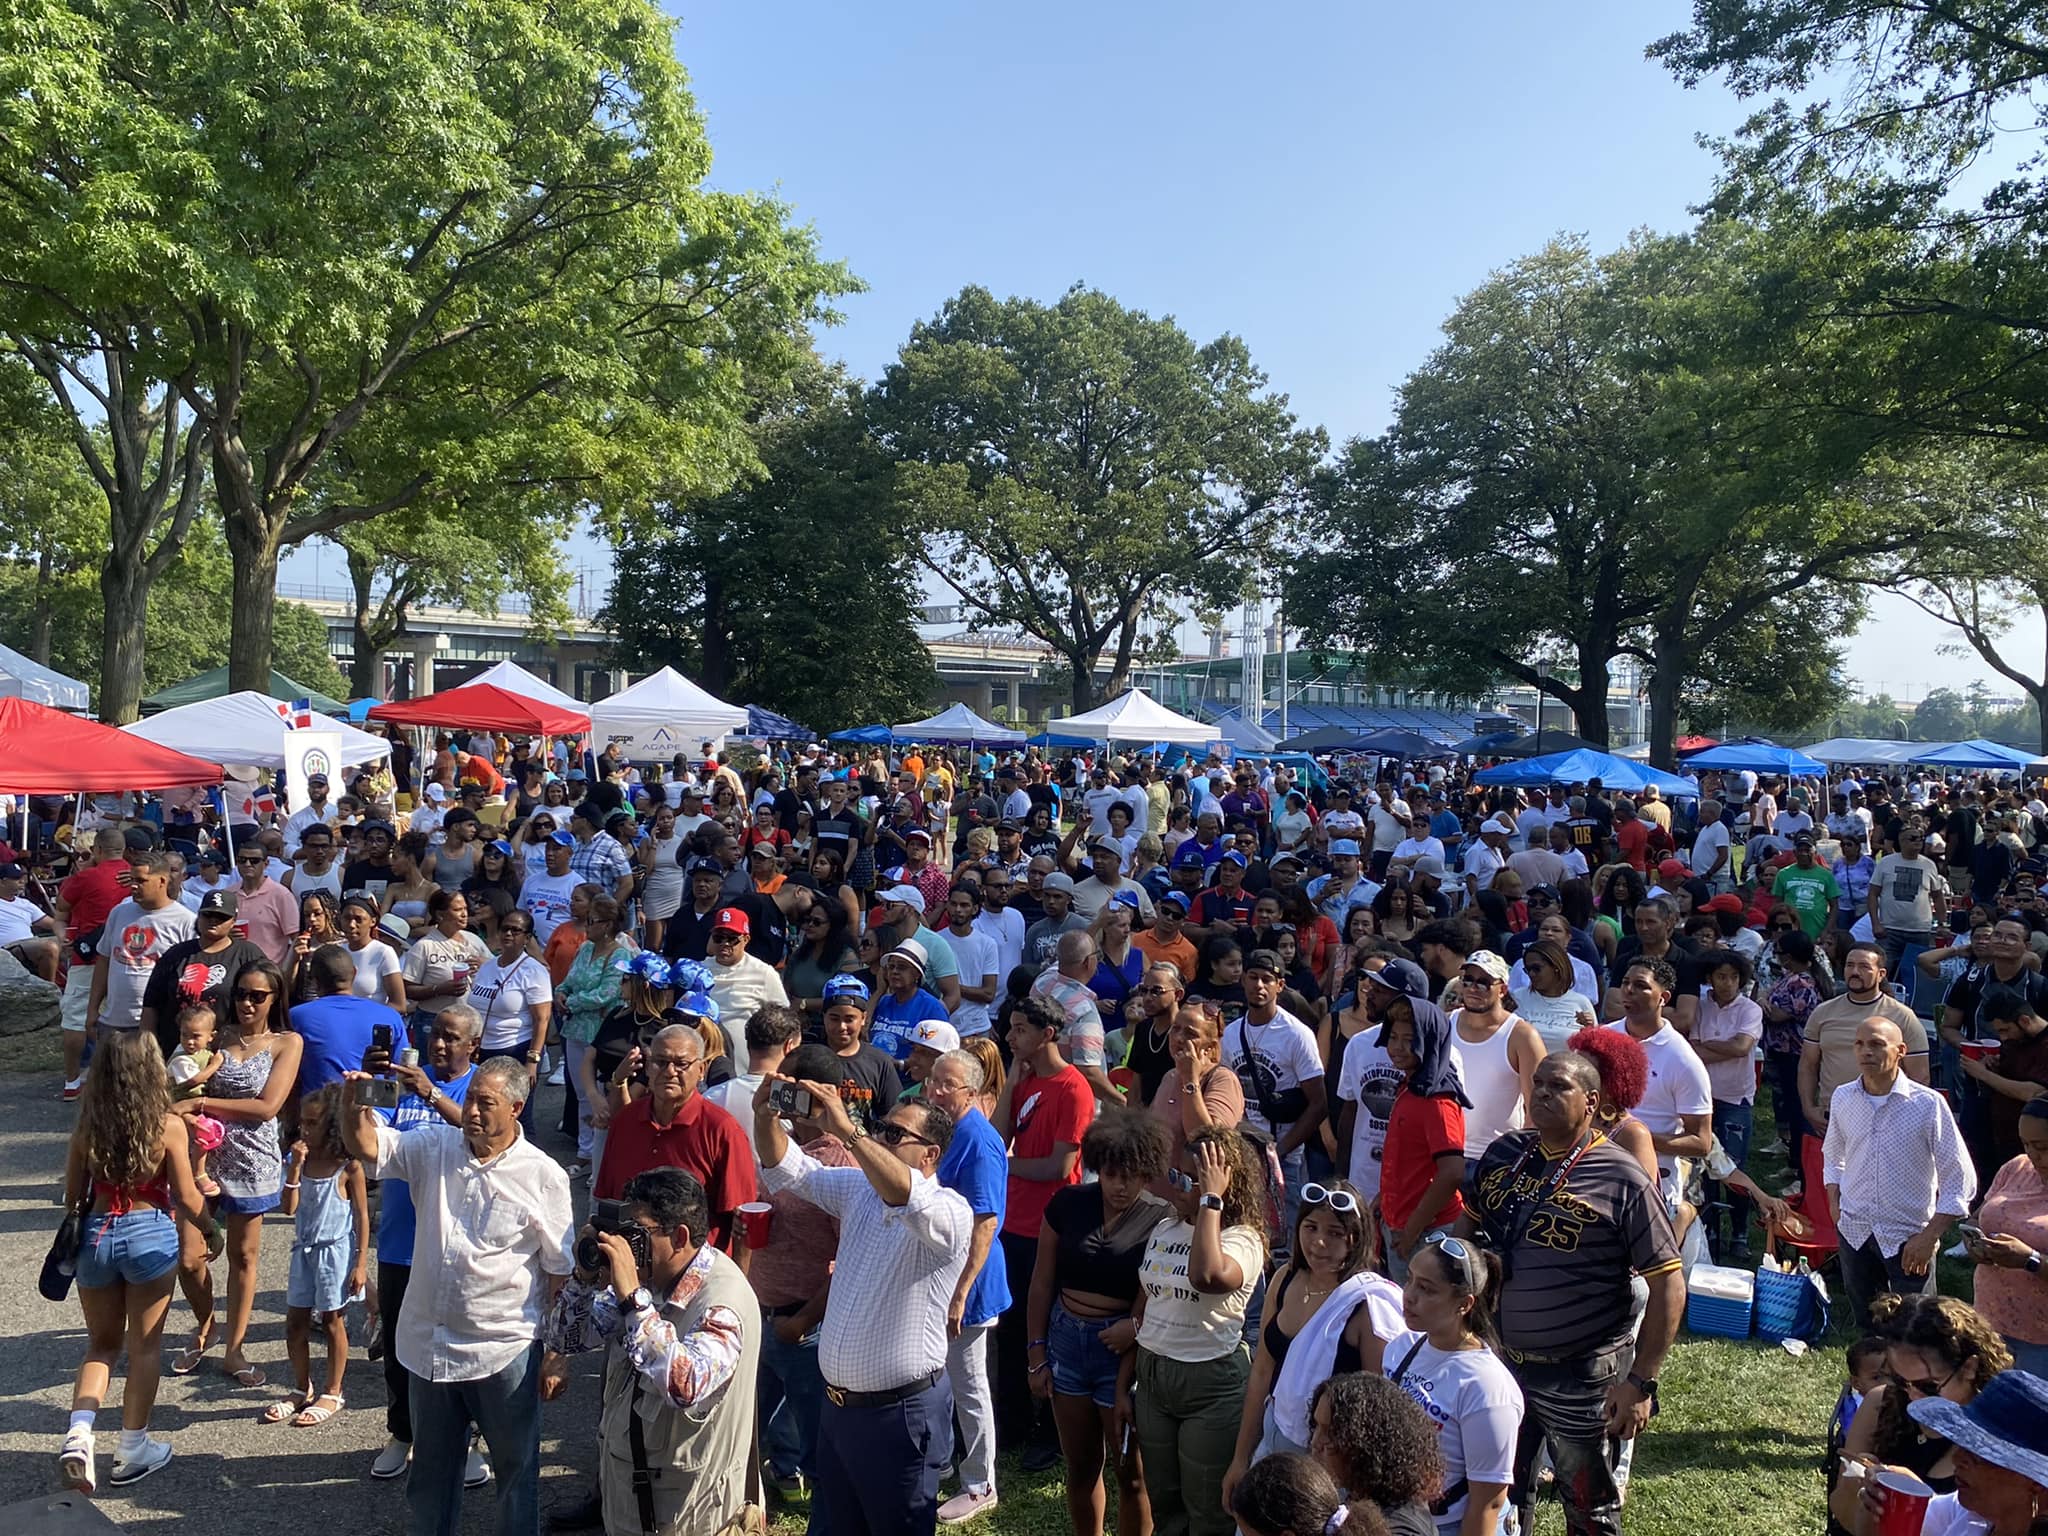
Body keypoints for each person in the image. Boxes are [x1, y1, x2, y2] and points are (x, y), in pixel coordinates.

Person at [341, 1056, 575, 1536]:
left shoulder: (543, 1175)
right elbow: (367, 1145)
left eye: (485, 1103)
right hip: (428, 1346)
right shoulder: (433, 1146)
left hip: (503, 1349)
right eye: (470, 1099)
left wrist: (557, 1353)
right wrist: (354, 1102)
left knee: (516, 1474)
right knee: (430, 1476)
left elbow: (559, 1273)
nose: (471, 1111)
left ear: (516, 1107)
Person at [1461, 1050, 1684, 1536]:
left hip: (1581, 1375)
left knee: (1588, 1505)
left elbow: (1668, 1282)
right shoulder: (1504, 1154)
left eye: (1558, 1086)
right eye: (1538, 1083)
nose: (1541, 1092)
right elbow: (1464, 1238)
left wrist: (1642, 1382)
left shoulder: (1621, 1176)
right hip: (1496, 1362)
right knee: (1493, 1491)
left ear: (1591, 1102)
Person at [751, 1072, 973, 1536]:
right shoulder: (858, 1191)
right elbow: (784, 1166)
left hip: (899, 1416)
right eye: (882, 1128)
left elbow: (903, 1193)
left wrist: (851, 1131)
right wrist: (765, 1114)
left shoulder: (950, 1211)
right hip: (840, 1411)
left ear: (930, 1155)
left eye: (895, 1134)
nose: (883, 1138)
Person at [539, 1166, 762, 1536]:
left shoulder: (722, 1302)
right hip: (632, 1503)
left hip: (690, 1516)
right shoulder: (650, 1281)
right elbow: (566, 1338)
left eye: (637, 1234)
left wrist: (632, 1300)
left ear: (680, 1237)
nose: (625, 1246)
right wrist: (583, 1276)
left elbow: (685, 1384)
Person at [57, 1029, 223, 1493]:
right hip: (149, 1233)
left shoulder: (88, 1123)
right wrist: (211, 1230)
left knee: (101, 1346)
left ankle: (79, 1435)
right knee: (145, 1347)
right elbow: (188, 1195)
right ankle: (132, 1448)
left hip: (96, 1236)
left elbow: (72, 1195)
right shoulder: (167, 1124)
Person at [1026, 1108, 1173, 1536]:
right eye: (1110, 1174)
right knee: (1081, 1467)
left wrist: (1136, 1329)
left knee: (1132, 1475)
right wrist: (1036, 1352)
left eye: (1130, 1175)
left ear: (1147, 1172)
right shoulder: (1068, 1203)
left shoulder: (1161, 1218)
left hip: (1121, 1355)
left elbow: (1161, 1295)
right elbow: (1041, 1281)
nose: (1119, 1185)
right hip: (1065, 1343)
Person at [1121, 1126, 1267, 1536]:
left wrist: (1210, 1202)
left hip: (1210, 1383)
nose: (1177, 1186)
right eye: (1176, 1175)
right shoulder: (1165, 1228)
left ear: (1220, 1184)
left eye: (1190, 1178)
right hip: (1154, 1376)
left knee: (1208, 1513)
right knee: (1165, 1506)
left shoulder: (1243, 1239)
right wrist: (1124, 1382)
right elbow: (1148, 1301)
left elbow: (1206, 1275)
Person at [171, 959, 304, 1388]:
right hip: (201, 1157)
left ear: (274, 999)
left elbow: (268, 1105)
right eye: (241, 994)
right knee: (190, 1259)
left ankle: (234, 1348)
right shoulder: (215, 1034)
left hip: (252, 1158)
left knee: (243, 1258)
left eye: (257, 996)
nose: (247, 1002)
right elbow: (181, 1080)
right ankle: (205, 1324)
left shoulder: (287, 1042)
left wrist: (202, 1105)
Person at [364, 1005, 482, 1482]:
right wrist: (369, 1085)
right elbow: (369, 1137)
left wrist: (430, 1093)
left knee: (461, 1348)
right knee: (398, 1347)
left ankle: (468, 1440)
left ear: (472, 1044)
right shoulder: (402, 1079)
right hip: (399, 1241)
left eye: (451, 1038)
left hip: (457, 1245)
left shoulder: (480, 1085)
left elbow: (481, 1134)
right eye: (435, 1034)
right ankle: (402, 1433)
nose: (439, 1044)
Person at [1226, 1179, 1401, 1499]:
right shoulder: (1284, 1278)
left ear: (1356, 1239)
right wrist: (1240, 1459)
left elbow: (1378, 1407)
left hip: (1330, 1464)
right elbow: (1262, 1371)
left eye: (1335, 1233)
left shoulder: (1366, 1305)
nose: (1319, 1243)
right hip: (1274, 1436)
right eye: (1311, 1227)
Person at [1824, 1015, 1977, 1329]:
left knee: (1917, 1329)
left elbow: (1960, 1177)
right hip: (1854, 1231)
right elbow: (1833, 1154)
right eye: (1860, 1044)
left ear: (1901, 1050)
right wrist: (1833, 1203)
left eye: (1877, 1044)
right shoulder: (1843, 1097)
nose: (1867, 1052)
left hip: (1908, 1237)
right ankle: (1870, 1379)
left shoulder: (1927, 1105)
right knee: (1867, 1326)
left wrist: (1930, 1236)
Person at [995, 992, 1094, 1470]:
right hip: (1013, 1223)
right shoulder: (1027, 1078)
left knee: (1048, 1329)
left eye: (1021, 1030)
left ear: (1047, 1034)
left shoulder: (1073, 1088)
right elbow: (997, 1137)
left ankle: (1050, 1432)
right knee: (1012, 1328)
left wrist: (1008, 1167)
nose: (1012, 1037)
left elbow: (1061, 1165)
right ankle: (1012, 1423)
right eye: (1011, 1028)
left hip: (1049, 1227)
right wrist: (1015, 1075)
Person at [1829, 1293, 2013, 1532]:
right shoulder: (1882, 1402)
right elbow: (1841, 1509)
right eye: (1900, 1380)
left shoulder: (2000, 1434)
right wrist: (1861, 1492)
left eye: (1928, 1386)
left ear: (1969, 1368)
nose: (1913, 1396)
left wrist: (1923, 1505)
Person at [1379, 1235, 1523, 1536]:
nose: (1409, 1296)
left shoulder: (1487, 1387)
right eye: (1410, 1280)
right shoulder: (1400, 1348)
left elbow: (1488, 1503)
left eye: (1426, 1289)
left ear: (1464, 1304)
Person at [924, 1046, 1011, 1523]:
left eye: (946, 1085)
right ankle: (940, 1461)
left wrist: (960, 1291)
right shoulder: (947, 1128)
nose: (934, 1090)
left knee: (968, 1381)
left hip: (970, 1281)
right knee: (940, 1377)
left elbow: (986, 1219)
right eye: (933, 1080)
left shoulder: (979, 1140)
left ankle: (980, 1483)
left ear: (972, 1093)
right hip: (945, 1273)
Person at [592, 1023, 755, 1252]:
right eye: (660, 1062)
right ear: (648, 1068)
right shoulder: (625, 1121)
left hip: (696, 1274)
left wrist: (737, 1283)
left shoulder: (722, 1130)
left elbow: (743, 1220)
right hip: (629, 1266)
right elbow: (607, 1201)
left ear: (701, 1070)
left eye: (681, 1064)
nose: (669, 1071)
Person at [263, 1084, 368, 1428]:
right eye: (303, 1124)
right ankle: (299, 1386)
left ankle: (333, 1390)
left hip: (335, 1253)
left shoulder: (347, 1167)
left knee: (333, 1320)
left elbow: (363, 1218)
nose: (305, 1131)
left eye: (313, 1124)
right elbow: (288, 1208)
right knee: (295, 1321)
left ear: (333, 1125)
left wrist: (361, 1263)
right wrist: (293, 1168)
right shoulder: (301, 1162)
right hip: (303, 1250)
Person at [1224, 949, 1327, 1234]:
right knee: (1243, 1232)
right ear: (1243, 980)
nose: (1259, 985)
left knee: (1284, 1236)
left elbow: (1318, 1104)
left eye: (1267, 979)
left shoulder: (1297, 1035)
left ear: (1279, 986)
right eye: (1253, 977)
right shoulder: (1231, 1033)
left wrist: (1277, 1152)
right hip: (1242, 1153)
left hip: (1284, 1158)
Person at [1381, 996, 1471, 1280]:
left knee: (1423, 1318)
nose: (1397, 1047)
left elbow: (1452, 1173)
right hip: (1402, 1224)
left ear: (1429, 1041)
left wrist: (1411, 1232)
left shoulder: (1438, 1100)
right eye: (1393, 1037)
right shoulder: (1411, 1085)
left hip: (1428, 1233)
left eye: (1409, 1039)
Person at [1962, 1095, 2048, 1376]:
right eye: (2026, 1144)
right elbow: (1981, 1216)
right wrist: (1973, 1240)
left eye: (2042, 1146)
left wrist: (2031, 1260)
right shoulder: (2017, 1167)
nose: (2033, 1155)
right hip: (1990, 1322)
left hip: (2040, 1341)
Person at [1691, 948, 1764, 1260]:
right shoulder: (1700, 1006)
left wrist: (1709, 1047)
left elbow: (1741, 1047)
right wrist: (1723, 1048)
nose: (1728, 983)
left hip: (1736, 1097)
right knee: (1703, 1168)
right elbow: (1692, 1048)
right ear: (1710, 978)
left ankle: (1740, 1233)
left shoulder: (1750, 1009)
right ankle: (1707, 1228)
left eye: (1734, 977)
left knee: (1734, 1166)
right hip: (1701, 1097)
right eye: (1721, 976)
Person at [1310, 1371, 1448, 1536]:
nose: (1315, 1442)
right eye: (1316, 1426)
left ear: (1365, 1445)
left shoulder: (1398, 1530)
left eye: (1330, 1433)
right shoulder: (1361, 1496)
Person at [137, 887, 267, 1055]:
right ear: (198, 916)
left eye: (221, 917)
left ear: (234, 921)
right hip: (175, 1052)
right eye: (208, 915)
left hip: (230, 1051)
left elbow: (268, 998)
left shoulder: (248, 954)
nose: (213, 920)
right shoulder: (176, 954)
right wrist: (148, 1050)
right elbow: (151, 1005)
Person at [88, 849, 195, 1037]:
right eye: (132, 880)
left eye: (141, 881)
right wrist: (92, 1009)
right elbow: (104, 961)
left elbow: (191, 975)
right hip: (113, 1021)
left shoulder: (185, 921)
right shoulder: (119, 913)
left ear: (162, 881)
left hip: (157, 1023)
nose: (134, 887)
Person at [1447, 950, 1543, 1158]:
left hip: (1498, 1158)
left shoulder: (1522, 1036)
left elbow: (1536, 1105)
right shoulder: (1444, 1024)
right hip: (1445, 1154)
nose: (1473, 988)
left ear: (1502, 989)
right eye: (1468, 980)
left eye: (1483, 982)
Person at [291, 943, 404, 1095]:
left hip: (317, 1113)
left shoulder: (296, 1017)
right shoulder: (390, 1017)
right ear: (355, 973)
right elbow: (402, 1074)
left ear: (313, 980)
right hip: (375, 1111)